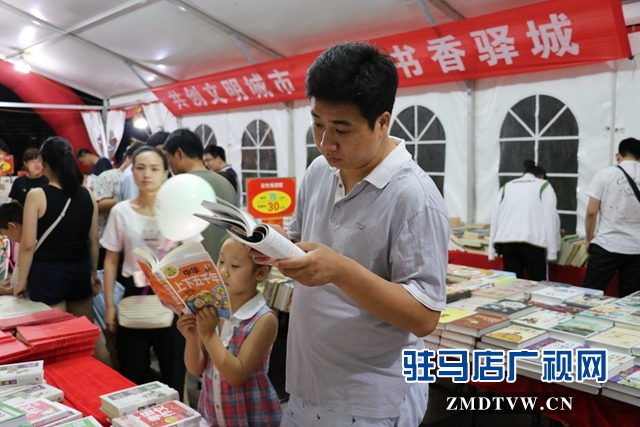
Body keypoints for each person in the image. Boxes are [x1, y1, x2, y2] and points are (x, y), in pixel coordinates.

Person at [252, 42, 448, 426]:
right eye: (317, 124)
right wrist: (273, 245)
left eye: (341, 129)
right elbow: (302, 243)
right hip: (308, 379)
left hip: (371, 396)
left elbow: (424, 316)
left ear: (382, 122)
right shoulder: (319, 171)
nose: (326, 142)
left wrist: (340, 270)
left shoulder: (414, 197)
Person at [100, 146, 186, 399]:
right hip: (134, 292)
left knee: (174, 372)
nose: (147, 174)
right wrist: (109, 306)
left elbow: (190, 256)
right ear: (132, 171)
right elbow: (111, 260)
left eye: (154, 168)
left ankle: (176, 416)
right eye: (140, 168)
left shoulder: (176, 210)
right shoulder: (121, 212)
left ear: (166, 173)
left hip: (172, 295)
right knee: (131, 372)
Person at [177, 237, 282, 426]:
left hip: (250, 415)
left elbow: (236, 375)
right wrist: (192, 337)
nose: (223, 271)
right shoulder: (212, 309)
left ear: (260, 273)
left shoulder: (264, 319)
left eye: (235, 266)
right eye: (221, 261)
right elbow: (196, 368)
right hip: (213, 414)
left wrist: (209, 334)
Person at [14, 137, 100, 320]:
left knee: (53, 331)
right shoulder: (88, 195)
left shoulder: (37, 196)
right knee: (84, 330)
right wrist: (93, 273)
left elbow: (28, 244)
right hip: (80, 270)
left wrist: (21, 282)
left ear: (43, 162)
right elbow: (93, 240)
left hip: (47, 274)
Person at [163, 129, 238, 263]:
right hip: (225, 267)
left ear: (179, 153)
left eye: (169, 157)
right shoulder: (226, 184)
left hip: (192, 268)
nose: (169, 164)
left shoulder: (177, 186)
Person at [582, 138, 640, 297]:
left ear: (618, 156)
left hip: (606, 244)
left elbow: (591, 212)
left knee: (589, 294)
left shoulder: (605, 174)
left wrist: (589, 239)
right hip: (637, 248)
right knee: (631, 300)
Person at [488, 160, 560, 281]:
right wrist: (553, 250)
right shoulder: (543, 185)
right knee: (538, 285)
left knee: (512, 284)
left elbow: (495, 216)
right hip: (533, 243)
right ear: (542, 176)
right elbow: (551, 217)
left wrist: (491, 249)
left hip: (507, 243)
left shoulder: (507, 186)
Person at [93, 148, 134, 269]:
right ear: (128, 158)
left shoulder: (143, 180)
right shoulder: (109, 176)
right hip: (106, 240)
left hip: (131, 243)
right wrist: (127, 199)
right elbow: (98, 205)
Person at [117, 132, 169, 202]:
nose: (165, 156)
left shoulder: (161, 169)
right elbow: (134, 204)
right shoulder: (131, 175)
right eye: (162, 150)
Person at [0, 202, 23, 295]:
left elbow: (26, 285)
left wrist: (6, 291)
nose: (7, 238)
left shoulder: (28, 247)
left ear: (11, 226)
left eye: (4, 234)